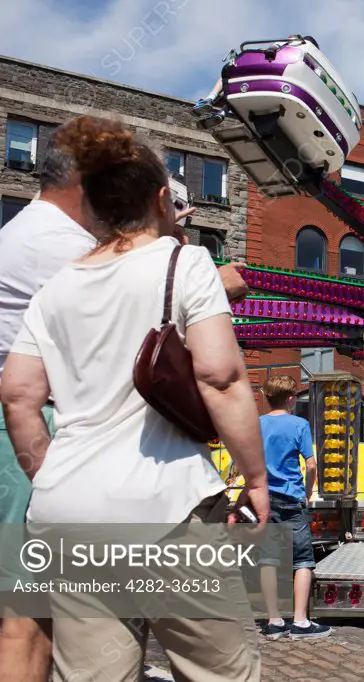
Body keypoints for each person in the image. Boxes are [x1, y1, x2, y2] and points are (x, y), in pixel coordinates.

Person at [0, 115, 269, 681]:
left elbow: (19, 394)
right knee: (217, 670)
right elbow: (220, 377)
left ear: (93, 205)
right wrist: (256, 478)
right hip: (165, 507)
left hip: (67, 515)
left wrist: (51, 469)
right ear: (163, 198)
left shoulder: (56, 287)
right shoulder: (185, 262)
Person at [257, 374, 331, 640]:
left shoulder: (257, 424)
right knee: (301, 559)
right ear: (291, 399)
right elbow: (311, 464)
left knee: (267, 559)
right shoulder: (299, 424)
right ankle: (300, 621)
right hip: (291, 498)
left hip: (265, 498)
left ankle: (273, 620)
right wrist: (309, 489)